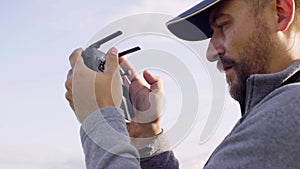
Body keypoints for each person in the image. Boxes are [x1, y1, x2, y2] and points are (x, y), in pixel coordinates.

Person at [65, 0, 300, 168]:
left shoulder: (291, 109)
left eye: (223, 25)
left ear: (279, 12)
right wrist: (147, 134)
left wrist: (99, 119)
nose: (211, 52)